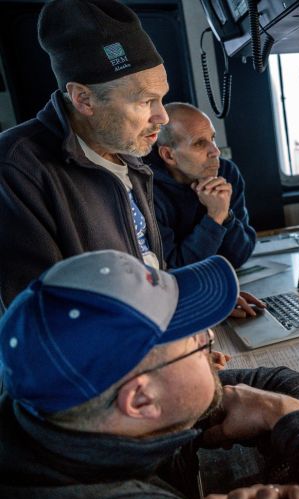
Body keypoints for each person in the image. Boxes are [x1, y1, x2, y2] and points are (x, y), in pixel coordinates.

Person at [0, 250, 299, 499]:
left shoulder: (67, 414)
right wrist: (294, 418)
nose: (211, 340)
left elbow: (284, 383)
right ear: (142, 399)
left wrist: (280, 409)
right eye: (198, 342)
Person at [0, 0, 262, 317]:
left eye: (161, 98)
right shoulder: (17, 168)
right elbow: (45, 320)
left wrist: (197, 295)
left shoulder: (131, 158)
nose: (162, 117)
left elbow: (150, 270)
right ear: (84, 99)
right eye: (145, 101)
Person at [148, 103, 256, 269]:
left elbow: (240, 256)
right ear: (169, 155)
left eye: (212, 138)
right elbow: (176, 268)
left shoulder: (226, 172)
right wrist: (215, 217)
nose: (215, 151)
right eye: (199, 143)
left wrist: (226, 217)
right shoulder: (146, 191)